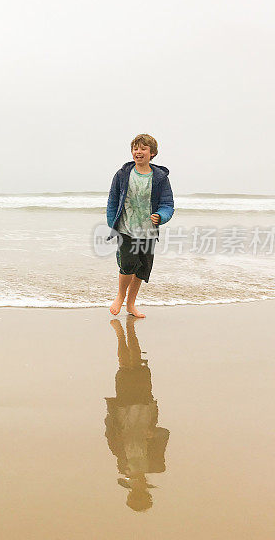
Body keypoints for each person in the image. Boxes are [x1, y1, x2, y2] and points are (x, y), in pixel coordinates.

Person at [104, 318, 169, 511]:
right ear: (146, 490)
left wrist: (116, 431)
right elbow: (164, 434)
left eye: (135, 492)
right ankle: (129, 330)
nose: (137, 488)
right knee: (137, 366)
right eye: (141, 492)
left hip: (123, 410)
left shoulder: (122, 466)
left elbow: (109, 436)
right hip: (145, 407)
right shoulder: (156, 465)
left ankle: (120, 335)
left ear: (131, 490)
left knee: (124, 366)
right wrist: (153, 434)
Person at [106, 134, 174, 317]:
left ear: (152, 153)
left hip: (148, 232)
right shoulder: (122, 174)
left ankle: (131, 304)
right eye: (135, 148)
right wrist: (112, 223)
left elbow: (167, 204)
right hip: (126, 229)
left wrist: (161, 216)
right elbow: (112, 200)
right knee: (128, 264)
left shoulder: (160, 178)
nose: (138, 151)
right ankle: (120, 297)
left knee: (142, 270)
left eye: (143, 148)